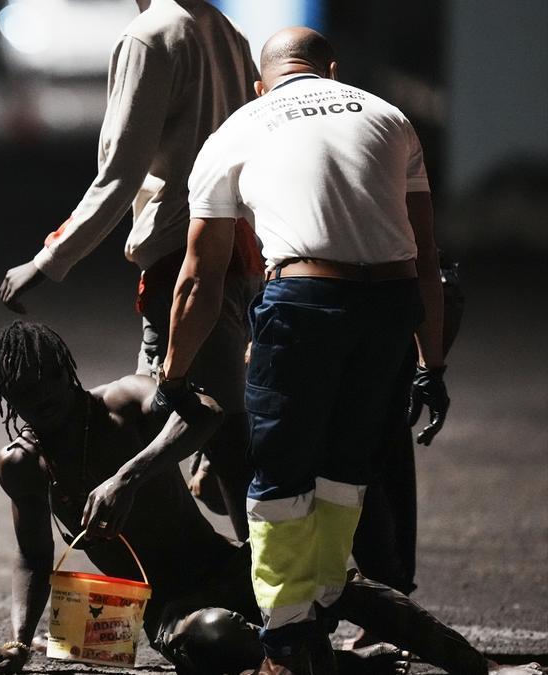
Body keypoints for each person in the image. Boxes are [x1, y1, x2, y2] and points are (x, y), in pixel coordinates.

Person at [0, 321, 541, 675]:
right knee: (214, 639)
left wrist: (128, 475)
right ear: (7, 404)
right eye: (23, 397)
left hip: (230, 563)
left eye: (48, 382)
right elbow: (31, 557)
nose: (41, 401)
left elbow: (205, 410)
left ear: (66, 369)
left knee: (352, 589)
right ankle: (342, 667)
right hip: (165, 605)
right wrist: (19, 643)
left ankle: (480, 666)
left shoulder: (120, 405)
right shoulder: (23, 465)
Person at [161, 27, 452, 674]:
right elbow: (427, 256)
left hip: (306, 307)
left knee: (279, 478)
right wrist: (432, 365)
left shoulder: (238, 128)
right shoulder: (389, 116)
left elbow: (198, 280)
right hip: (390, 307)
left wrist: (173, 373)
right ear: (331, 70)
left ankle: (288, 644)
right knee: (344, 470)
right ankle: (318, 610)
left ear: (261, 84)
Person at [0, 0, 263, 541]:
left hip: (180, 247)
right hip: (235, 240)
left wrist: (49, 259)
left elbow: (121, 169)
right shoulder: (227, 30)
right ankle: (201, 585)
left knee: (216, 430)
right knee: (168, 416)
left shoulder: (149, 35)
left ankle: (267, 602)